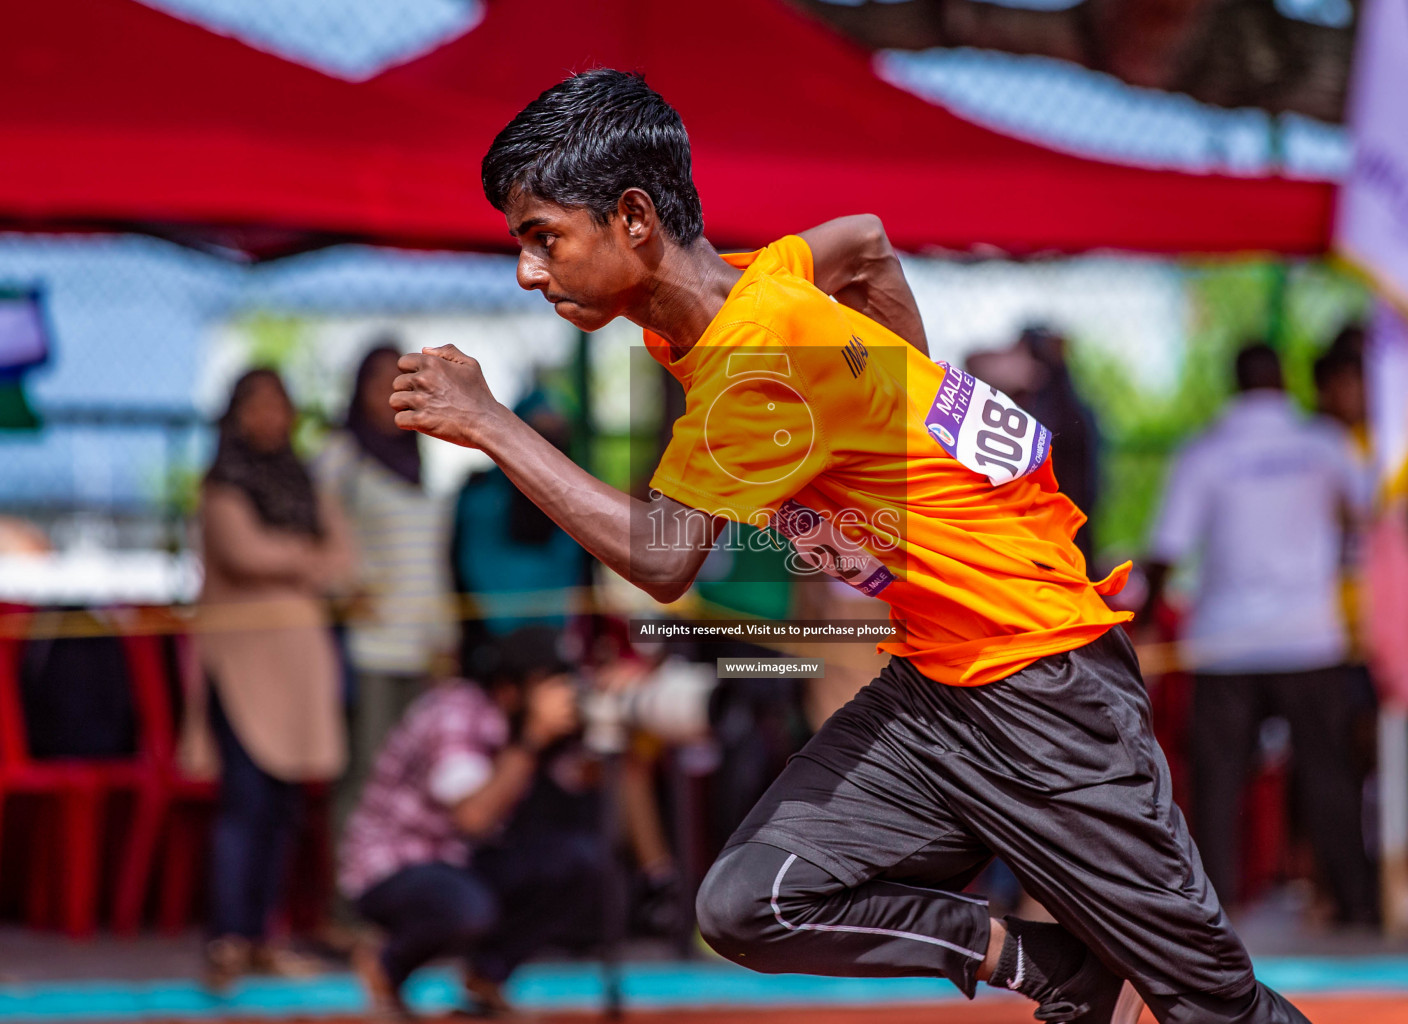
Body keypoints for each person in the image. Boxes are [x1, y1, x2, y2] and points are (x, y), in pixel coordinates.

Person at [388, 69, 1312, 1024]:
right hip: (935, 691)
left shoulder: (760, 361)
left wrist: (492, 423)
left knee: (1216, 1011)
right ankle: (1043, 963)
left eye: (544, 237)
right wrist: (910, 420)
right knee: (751, 902)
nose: (528, 272)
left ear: (632, 219)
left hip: (1045, 686)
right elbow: (865, 243)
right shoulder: (754, 284)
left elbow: (664, 560)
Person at [1141, 344, 1378, 927]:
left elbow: (1166, 550)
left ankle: (1213, 908)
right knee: (1328, 774)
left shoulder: (1205, 453)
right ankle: (1356, 903)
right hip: (1309, 637)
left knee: (1220, 780)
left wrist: (1146, 618)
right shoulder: (1324, 445)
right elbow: (1374, 511)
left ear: (1234, 384)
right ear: (1284, 381)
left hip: (1227, 641)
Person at [340, 626, 602, 1017]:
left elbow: (580, 778)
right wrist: (531, 739)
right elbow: (473, 817)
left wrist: (608, 728)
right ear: (509, 689)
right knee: (466, 907)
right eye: (549, 682)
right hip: (393, 864)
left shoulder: (522, 718)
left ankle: (487, 978)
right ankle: (386, 965)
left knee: (580, 861)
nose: (560, 695)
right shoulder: (454, 712)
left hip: (462, 861)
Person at [190, 368, 351, 987]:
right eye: (256, 406)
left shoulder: (306, 482)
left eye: (278, 405)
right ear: (235, 414)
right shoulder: (222, 485)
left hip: (301, 669)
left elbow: (344, 559)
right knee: (245, 802)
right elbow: (243, 553)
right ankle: (228, 938)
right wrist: (303, 559)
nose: (269, 417)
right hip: (242, 664)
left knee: (284, 806)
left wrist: (295, 560)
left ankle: (263, 937)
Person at [315, 343, 457, 837]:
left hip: (422, 643)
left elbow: (432, 559)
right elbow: (311, 528)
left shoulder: (421, 453)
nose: (388, 392)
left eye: (399, 380)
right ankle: (349, 905)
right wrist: (341, 591)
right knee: (367, 774)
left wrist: (445, 635)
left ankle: (399, 890)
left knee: (416, 776)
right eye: (377, 381)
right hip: (368, 645)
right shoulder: (341, 455)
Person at [450, 389, 586, 671]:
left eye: (554, 433)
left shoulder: (579, 502)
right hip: (490, 649)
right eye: (536, 433)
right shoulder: (480, 501)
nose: (547, 445)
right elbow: (459, 570)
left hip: (556, 646)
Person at [966, 325, 1101, 568]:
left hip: (1058, 542)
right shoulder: (1041, 403)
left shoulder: (1060, 411)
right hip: (1034, 540)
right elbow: (973, 360)